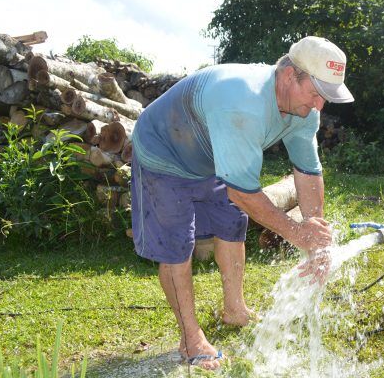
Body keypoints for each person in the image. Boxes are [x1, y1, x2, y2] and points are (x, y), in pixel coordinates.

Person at [130, 36, 354, 369]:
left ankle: (235, 309)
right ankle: (191, 339)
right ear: (290, 75)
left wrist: (315, 238)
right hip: (165, 152)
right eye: (315, 92)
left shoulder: (303, 111)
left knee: (233, 223)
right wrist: (297, 234)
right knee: (177, 244)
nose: (320, 105)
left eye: (326, 97)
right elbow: (241, 192)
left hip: (212, 155)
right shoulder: (243, 102)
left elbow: (307, 172)